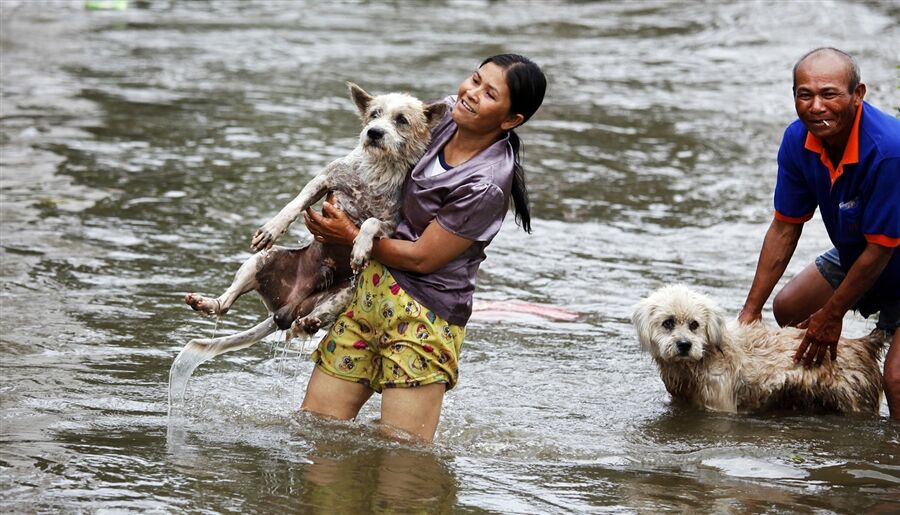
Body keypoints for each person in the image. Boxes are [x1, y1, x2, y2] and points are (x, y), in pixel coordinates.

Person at [297, 54, 547, 442]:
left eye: (489, 93)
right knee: (317, 434)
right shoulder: (445, 115)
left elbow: (423, 257)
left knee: (403, 461)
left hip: (424, 317)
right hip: (370, 296)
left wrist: (348, 234)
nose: (470, 94)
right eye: (475, 79)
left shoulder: (485, 184)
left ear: (510, 120)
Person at [738, 47, 900, 419]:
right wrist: (750, 311)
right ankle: (839, 400)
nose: (816, 106)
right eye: (804, 94)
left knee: (896, 380)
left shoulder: (889, 151)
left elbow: (881, 249)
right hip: (859, 252)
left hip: (884, 252)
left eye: (829, 94)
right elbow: (784, 226)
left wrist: (832, 314)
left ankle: (889, 464)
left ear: (857, 95)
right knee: (789, 308)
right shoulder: (798, 140)